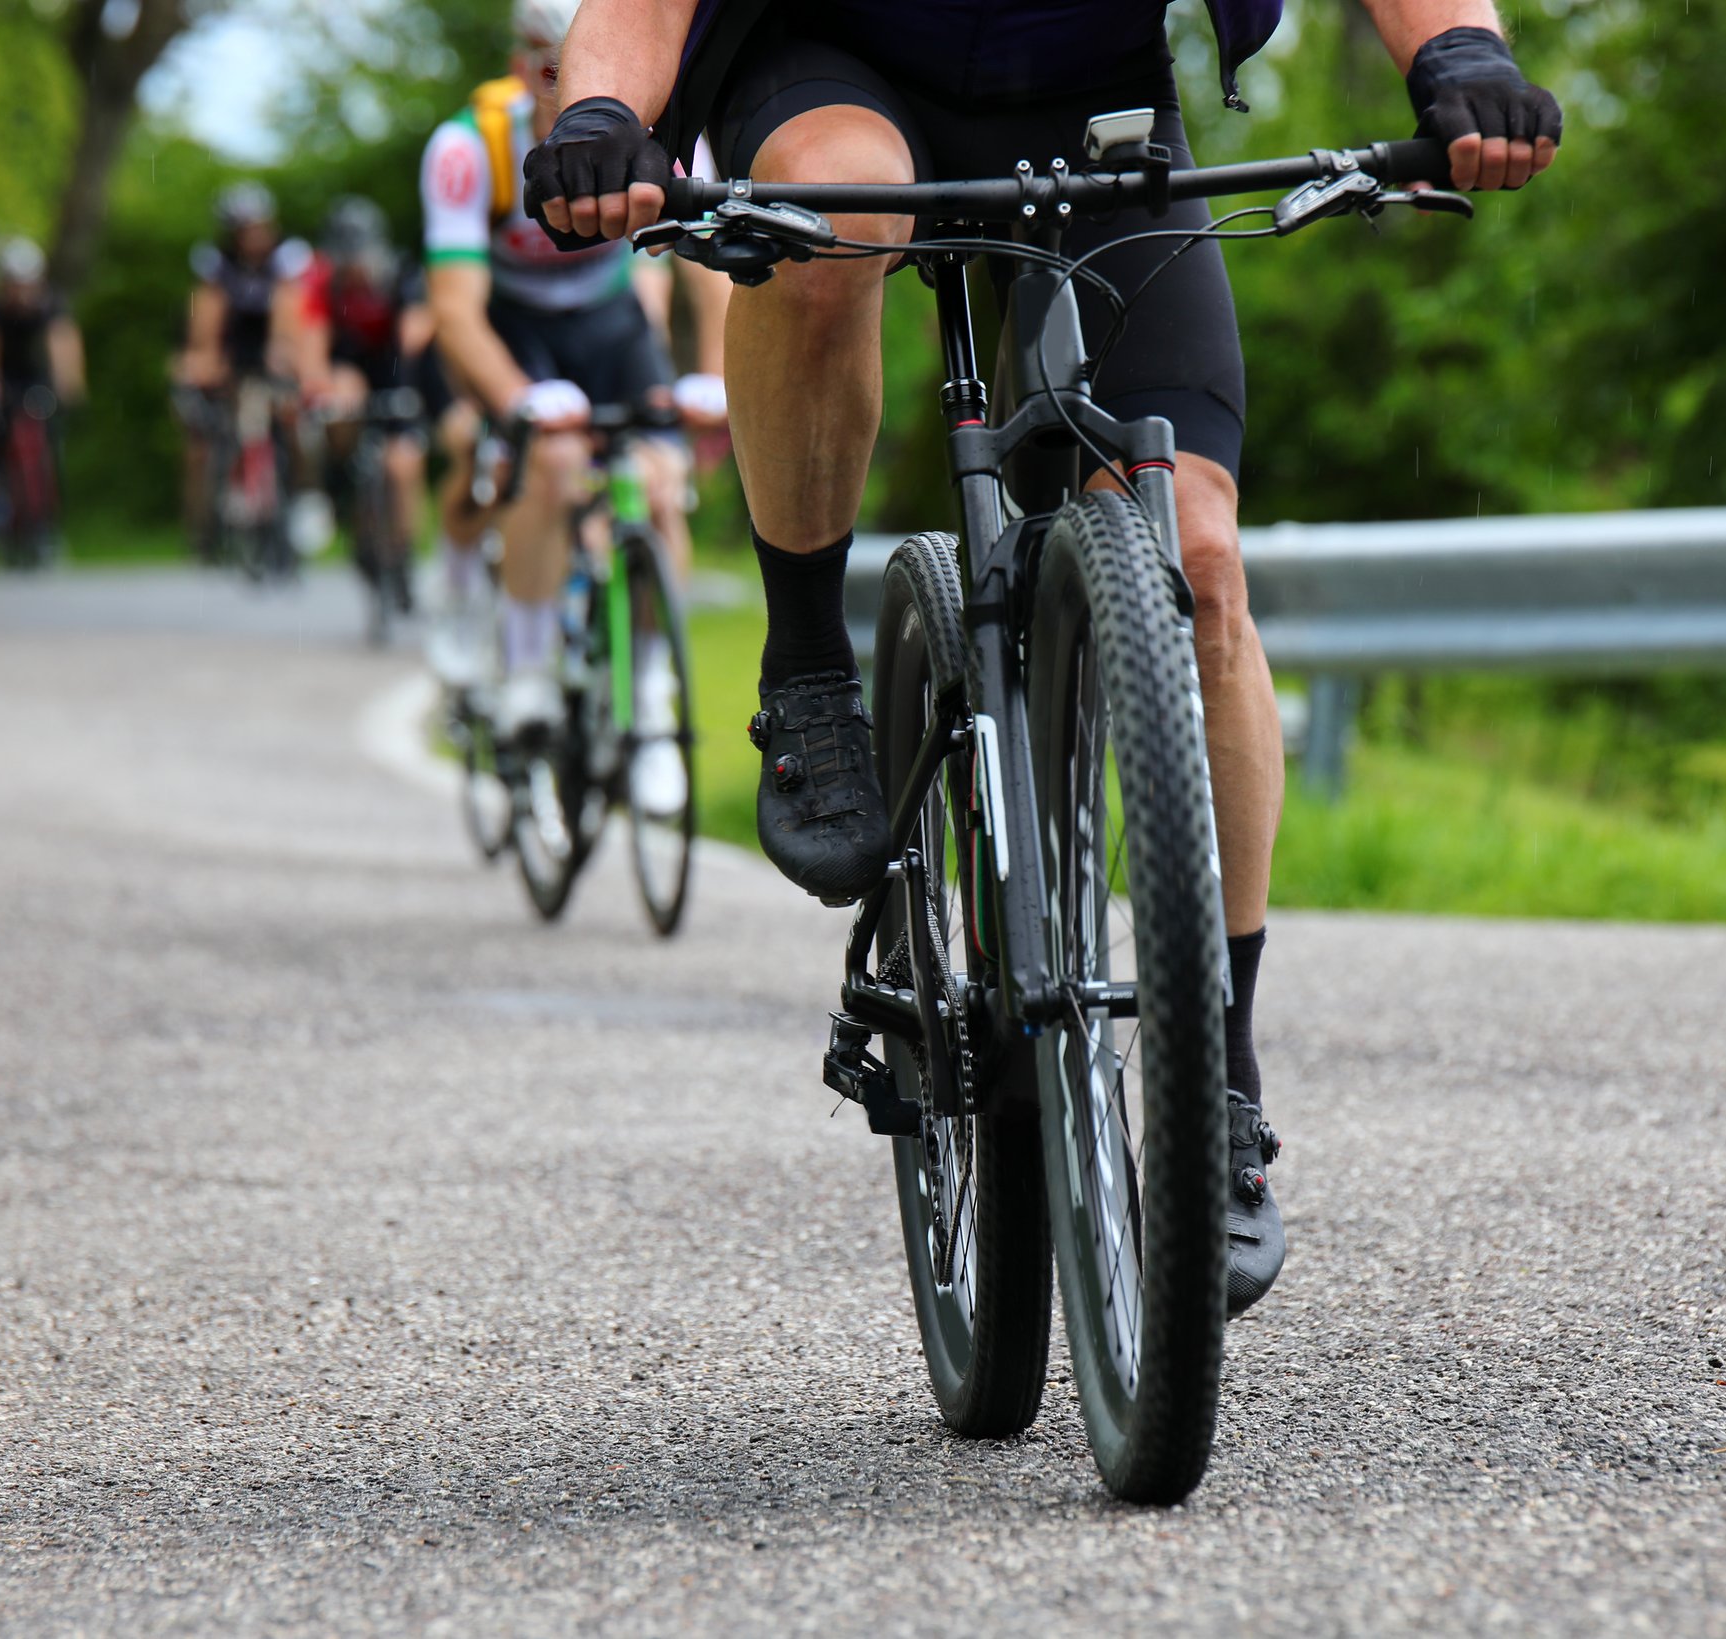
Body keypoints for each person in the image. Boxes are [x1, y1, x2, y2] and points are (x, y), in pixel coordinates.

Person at [524, 0, 1562, 1315]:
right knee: (844, 212)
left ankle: (1220, 1079)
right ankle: (807, 674)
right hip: (833, 74)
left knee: (1199, 560)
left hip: (1093, 99)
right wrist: (602, 121)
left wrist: (1459, 55)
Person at [418, 0, 729, 753]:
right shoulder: (466, 149)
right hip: (509, 323)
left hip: (606, 319)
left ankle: (649, 691)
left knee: (656, 483)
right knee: (549, 463)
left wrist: (716, 378)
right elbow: (456, 313)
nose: (608, 84)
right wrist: (518, 398)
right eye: (572, 71)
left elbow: (708, 271)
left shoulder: (659, 121)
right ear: (532, 72)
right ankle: (525, 671)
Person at [302, 195, 436, 615]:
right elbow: (315, 340)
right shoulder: (327, 284)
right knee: (340, 399)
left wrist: (410, 381)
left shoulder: (400, 275)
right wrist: (318, 383)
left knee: (403, 465)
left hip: (397, 366)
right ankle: (342, 485)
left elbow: (417, 327)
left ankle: (404, 550)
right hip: (351, 365)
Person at [176, 182, 314, 560]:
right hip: (233, 354)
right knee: (206, 435)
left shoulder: (287, 258)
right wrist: (203, 357)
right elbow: (206, 314)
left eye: (258, 226)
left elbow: (293, 308)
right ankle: (206, 523)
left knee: (296, 421)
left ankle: (303, 496)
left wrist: (286, 351)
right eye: (244, 229)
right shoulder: (216, 263)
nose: (253, 236)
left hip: (274, 351)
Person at [0, 237, 84, 556]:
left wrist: (69, 383)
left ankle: (46, 523)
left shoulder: (50, 306)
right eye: (15, 284)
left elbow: (63, 344)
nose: (22, 291)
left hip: (38, 382)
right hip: (6, 382)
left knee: (47, 449)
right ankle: (3, 516)